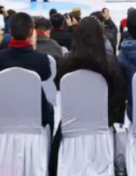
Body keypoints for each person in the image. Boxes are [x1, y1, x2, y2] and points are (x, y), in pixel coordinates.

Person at [50, 17, 126, 175]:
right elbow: (118, 96)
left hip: (71, 127)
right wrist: (109, 119)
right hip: (102, 127)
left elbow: (59, 89)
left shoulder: (65, 63)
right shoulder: (109, 64)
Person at [0, 13, 54, 131]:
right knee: (50, 109)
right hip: (35, 111)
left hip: (8, 109)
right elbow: (46, 76)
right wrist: (33, 48)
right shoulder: (41, 59)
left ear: (10, 31)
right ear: (31, 32)